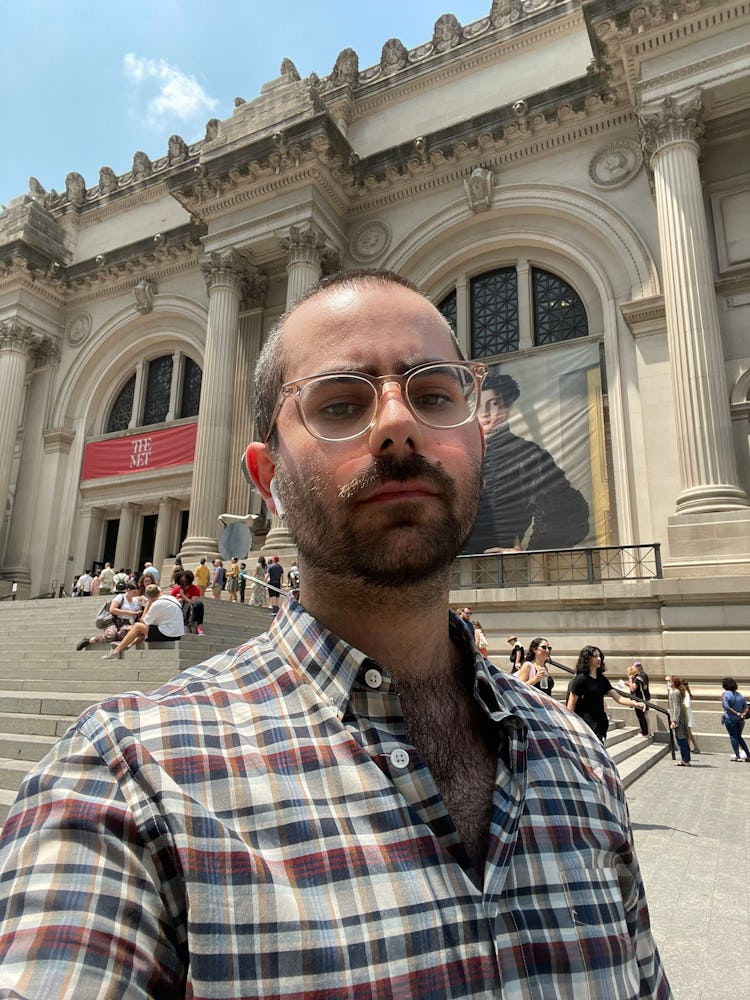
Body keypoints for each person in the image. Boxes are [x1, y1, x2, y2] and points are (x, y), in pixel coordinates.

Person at [0, 269, 670, 997]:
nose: (396, 423)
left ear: (478, 442)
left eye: (435, 394)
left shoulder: (580, 764)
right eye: (342, 403)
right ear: (268, 478)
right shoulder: (125, 783)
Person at [464, 371, 590, 553]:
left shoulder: (527, 455)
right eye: (477, 405)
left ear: (507, 408)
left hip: (503, 567)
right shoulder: (457, 454)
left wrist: (530, 553)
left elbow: (568, 509)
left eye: (493, 404)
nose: (485, 413)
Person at [566, 645, 645, 741]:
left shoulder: (602, 679)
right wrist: (570, 726)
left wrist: (635, 703)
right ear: (587, 659)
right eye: (595, 656)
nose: (599, 659)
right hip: (585, 725)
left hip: (600, 724)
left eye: (600, 656)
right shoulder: (580, 680)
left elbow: (618, 698)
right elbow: (570, 706)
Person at [101, 583, 184, 659]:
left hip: (168, 634)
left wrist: (148, 605)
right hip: (177, 633)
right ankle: (128, 645)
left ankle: (116, 651)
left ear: (149, 597)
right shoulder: (172, 598)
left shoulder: (157, 604)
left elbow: (143, 621)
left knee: (137, 626)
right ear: (159, 591)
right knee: (144, 630)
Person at [74, 582, 144, 650]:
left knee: (133, 632)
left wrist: (137, 613)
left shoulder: (135, 601)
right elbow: (112, 609)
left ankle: (118, 636)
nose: (134, 594)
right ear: (128, 590)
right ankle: (89, 640)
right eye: (133, 592)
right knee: (110, 635)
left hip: (126, 623)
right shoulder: (120, 597)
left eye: (136, 593)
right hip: (113, 621)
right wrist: (129, 613)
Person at [720, 677, 749, 761]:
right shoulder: (739, 694)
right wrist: (743, 714)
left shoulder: (725, 694)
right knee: (739, 737)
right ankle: (748, 754)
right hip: (740, 720)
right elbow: (746, 706)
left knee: (733, 736)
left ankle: (737, 756)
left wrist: (736, 713)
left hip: (730, 718)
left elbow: (726, 706)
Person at [666, 674, 691, 766]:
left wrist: (674, 720)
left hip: (678, 720)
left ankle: (685, 760)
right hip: (679, 718)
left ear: (673, 682)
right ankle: (685, 759)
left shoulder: (675, 692)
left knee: (681, 739)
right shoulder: (674, 692)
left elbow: (677, 707)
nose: (667, 683)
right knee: (681, 739)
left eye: (669, 681)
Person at [171, 570, 205, 636]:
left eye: (185, 581)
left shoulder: (194, 589)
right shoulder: (176, 589)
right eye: (181, 581)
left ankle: (199, 627)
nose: (183, 583)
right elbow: (170, 600)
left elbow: (193, 602)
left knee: (199, 604)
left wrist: (183, 596)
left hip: (190, 611)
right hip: (178, 610)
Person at [627, 664, 650, 737]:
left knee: (641, 716)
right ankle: (645, 732)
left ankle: (645, 732)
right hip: (640, 699)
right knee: (641, 716)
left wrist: (630, 680)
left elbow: (633, 689)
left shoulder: (635, 679)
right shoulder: (638, 678)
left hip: (638, 699)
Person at [682, 679, 700, 753]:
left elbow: (687, 705)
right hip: (687, 714)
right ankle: (696, 747)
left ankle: (688, 747)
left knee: (688, 732)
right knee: (689, 732)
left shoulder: (686, 694)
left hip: (687, 714)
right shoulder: (685, 693)